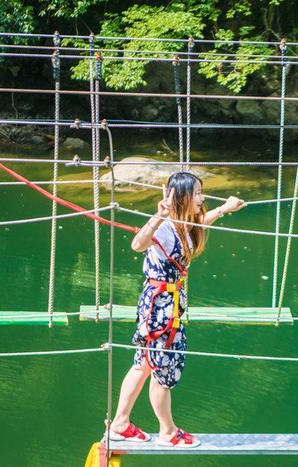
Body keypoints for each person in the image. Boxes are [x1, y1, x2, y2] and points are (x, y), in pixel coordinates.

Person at [105, 171, 247, 448]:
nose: (201, 198)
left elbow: (194, 229)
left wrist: (223, 209)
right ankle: (167, 432)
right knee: (163, 370)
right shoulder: (164, 226)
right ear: (181, 197)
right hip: (162, 309)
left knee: (144, 364)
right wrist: (158, 214)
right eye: (196, 193)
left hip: (162, 304)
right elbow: (137, 244)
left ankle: (120, 424)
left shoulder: (181, 225)